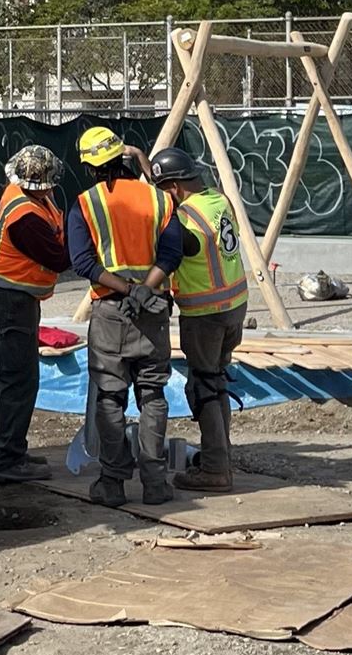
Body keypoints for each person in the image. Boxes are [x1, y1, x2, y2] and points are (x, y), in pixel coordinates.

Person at [66, 125, 186, 506]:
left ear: (91, 167)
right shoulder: (158, 200)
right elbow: (172, 254)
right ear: (122, 158)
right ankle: (154, 484)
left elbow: (82, 262)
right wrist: (145, 289)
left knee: (109, 398)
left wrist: (126, 290)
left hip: (111, 313)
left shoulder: (86, 204)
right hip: (152, 311)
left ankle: (113, 483)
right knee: (152, 395)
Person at [147, 146, 248, 492]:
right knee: (217, 381)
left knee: (203, 387)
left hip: (206, 313)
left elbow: (173, 253)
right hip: (235, 305)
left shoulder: (186, 219)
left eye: (162, 189)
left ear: (173, 188)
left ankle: (216, 470)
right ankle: (219, 457)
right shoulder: (216, 201)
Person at [0, 145, 69, 482]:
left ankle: (10, 449)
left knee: (18, 376)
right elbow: (59, 258)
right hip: (8, 298)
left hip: (15, 295)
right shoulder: (25, 217)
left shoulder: (25, 196)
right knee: (19, 378)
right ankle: (7, 459)